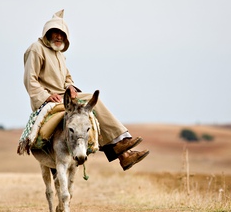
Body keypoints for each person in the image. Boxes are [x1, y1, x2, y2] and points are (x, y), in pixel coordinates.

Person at [23, 9, 149, 171]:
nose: (58, 37)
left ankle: (123, 155)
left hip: (64, 97)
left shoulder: (59, 54)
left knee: (90, 114)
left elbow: (67, 78)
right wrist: (46, 96)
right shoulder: (36, 49)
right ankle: (121, 141)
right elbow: (30, 79)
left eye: (62, 34)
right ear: (47, 33)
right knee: (91, 98)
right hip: (47, 100)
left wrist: (70, 87)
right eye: (55, 32)